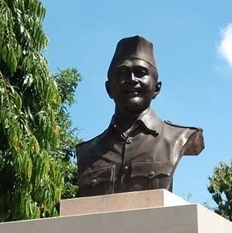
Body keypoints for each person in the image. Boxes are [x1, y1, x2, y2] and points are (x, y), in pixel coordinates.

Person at [76, 35, 204, 197]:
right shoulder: (87, 152)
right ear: (109, 89)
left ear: (156, 88)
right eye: (122, 73)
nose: (131, 80)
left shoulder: (180, 138)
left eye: (140, 73)